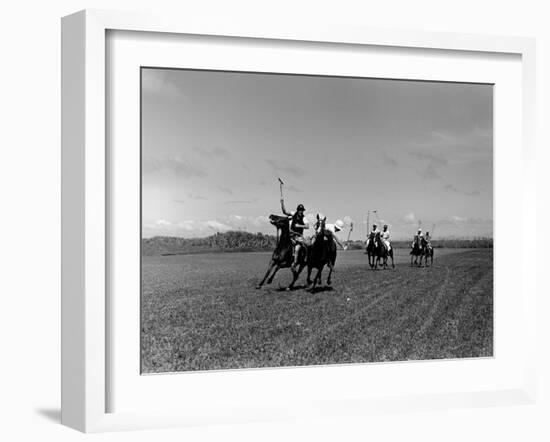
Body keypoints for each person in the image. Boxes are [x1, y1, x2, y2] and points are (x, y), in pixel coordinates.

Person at [281, 198, 310, 267]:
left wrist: (299, 225)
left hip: (299, 236)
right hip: (291, 234)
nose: (300, 211)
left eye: (302, 210)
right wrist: (282, 204)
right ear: (297, 210)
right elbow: (284, 212)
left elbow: (307, 226)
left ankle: (295, 262)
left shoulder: (304, 218)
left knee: (297, 249)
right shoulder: (293, 213)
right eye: (300, 210)